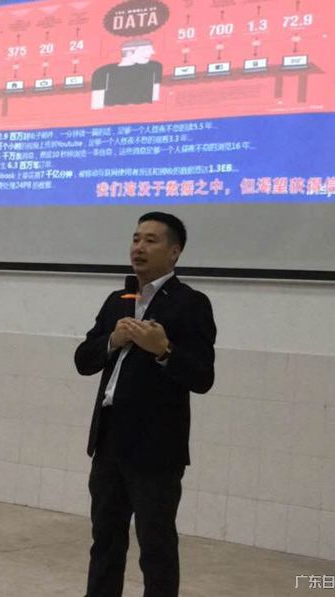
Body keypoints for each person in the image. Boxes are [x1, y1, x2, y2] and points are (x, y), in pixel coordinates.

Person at [74, 212, 217, 597]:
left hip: (156, 449)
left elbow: (203, 377)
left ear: (174, 252)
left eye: (151, 240)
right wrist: (112, 341)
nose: (139, 247)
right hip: (109, 442)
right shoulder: (117, 301)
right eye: (136, 238)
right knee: (105, 540)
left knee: (156, 548)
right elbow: (83, 360)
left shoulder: (191, 304)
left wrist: (164, 350)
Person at [90, 39, 163, 109]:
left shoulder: (154, 67)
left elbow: (155, 100)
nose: (152, 52)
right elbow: (97, 105)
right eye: (146, 50)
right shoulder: (103, 72)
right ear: (129, 53)